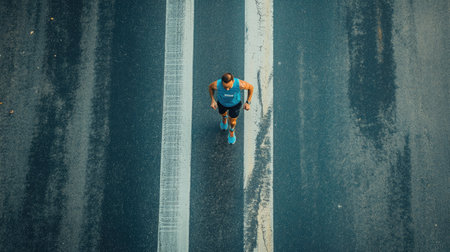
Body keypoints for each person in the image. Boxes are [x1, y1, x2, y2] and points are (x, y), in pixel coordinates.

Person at [208, 73, 254, 144]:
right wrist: (212, 100)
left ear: (233, 81)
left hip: (235, 105)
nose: (227, 89)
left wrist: (248, 102)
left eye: (229, 87)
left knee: (232, 121)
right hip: (222, 103)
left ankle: (232, 130)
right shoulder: (216, 84)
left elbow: (251, 88)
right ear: (222, 82)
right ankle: (224, 118)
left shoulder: (240, 84)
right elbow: (210, 87)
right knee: (222, 113)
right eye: (225, 87)